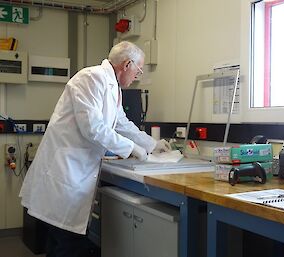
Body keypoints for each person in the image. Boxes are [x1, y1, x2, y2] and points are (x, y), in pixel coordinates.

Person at [19, 41, 171, 257]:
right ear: (127, 64)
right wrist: (133, 148)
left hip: (75, 174)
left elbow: (122, 123)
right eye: (138, 70)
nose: (137, 76)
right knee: (66, 244)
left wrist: (151, 143)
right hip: (65, 173)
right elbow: (93, 128)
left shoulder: (112, 87)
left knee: (62, 241)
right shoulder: (91, 78)